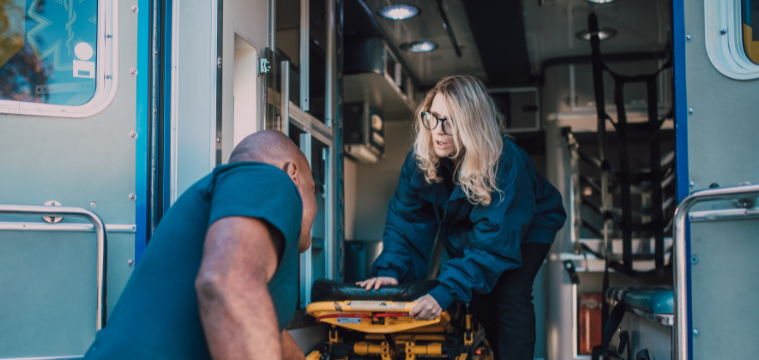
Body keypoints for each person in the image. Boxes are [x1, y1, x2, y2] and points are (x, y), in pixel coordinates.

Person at [357, 75, 567, 360]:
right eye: (433, 118)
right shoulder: (421, 158)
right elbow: (406, 220)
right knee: (479, 300)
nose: (438, 132)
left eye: (450, 122)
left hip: (531, 221)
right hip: (481, 225)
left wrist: (444, 293)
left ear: (472, 125)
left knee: (510, 295)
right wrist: (390, 272)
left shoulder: (503, 162)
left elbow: (494, 239)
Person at [84, 130, 317, 360]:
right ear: (293, 174)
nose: (316, 205)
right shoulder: (270, 179)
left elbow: (258, 327)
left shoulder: (234, 219)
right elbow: (230, 284)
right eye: (313, 189)